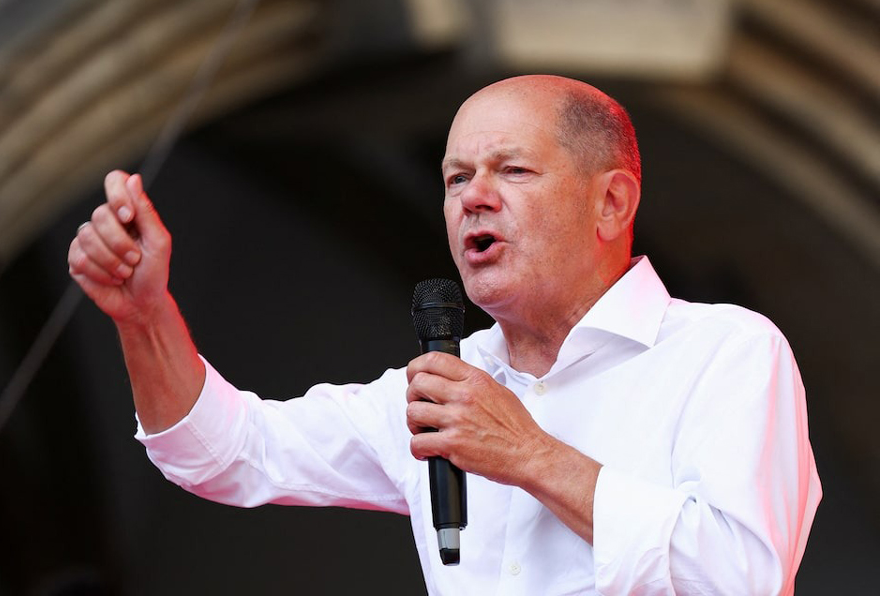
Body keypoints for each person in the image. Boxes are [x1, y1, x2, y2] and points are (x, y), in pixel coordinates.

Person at [67, 75, 821, 594]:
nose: (474, 199)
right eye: (456, 180)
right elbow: (228, 455)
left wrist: (529, 456)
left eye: (512, 170)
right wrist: (144, 315)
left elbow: (744, 576)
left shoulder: (724, 352)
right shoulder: (439, 390)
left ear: (612, 202)